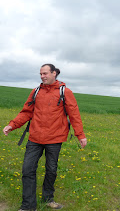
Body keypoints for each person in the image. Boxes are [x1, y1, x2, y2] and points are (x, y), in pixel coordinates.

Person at [2, 64, 87, 211]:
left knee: (51, 170)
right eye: (41, 74)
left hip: (55, 138)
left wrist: (80, 135)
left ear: (54, 73)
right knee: (27, 170)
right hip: (34, 137)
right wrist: (12, 125)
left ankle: (48, 199)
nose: (42, 76)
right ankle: (28, 206)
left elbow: (74, 115)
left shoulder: (65, 92)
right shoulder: (36, 92)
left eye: (45, 73)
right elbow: (26, 112)